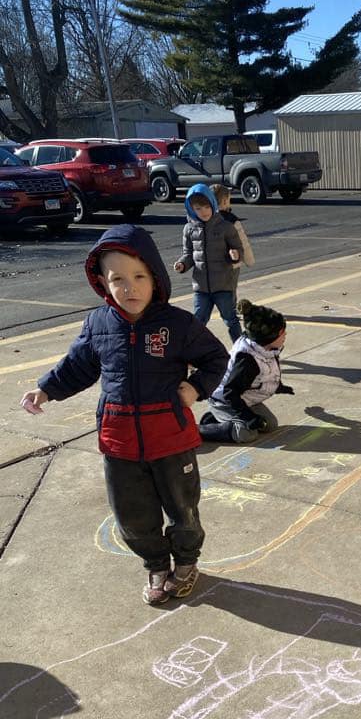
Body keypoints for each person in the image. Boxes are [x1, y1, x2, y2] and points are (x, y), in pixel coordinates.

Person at [19, 225, 229, 606]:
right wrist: (46, 389)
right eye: (118, 279)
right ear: (102, 281)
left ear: (156, 277)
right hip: (120, 442)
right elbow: (76, 367)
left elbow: (217, 358)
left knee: (183, 508)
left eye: (139, 277)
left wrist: (195, 388)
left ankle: (185, 563)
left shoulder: (177, 324)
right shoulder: (98, 325)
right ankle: (156, 564)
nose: (130, 288)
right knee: (131, 514)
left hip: (171, 439)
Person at [199, 300, 294, 442]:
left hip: (246, 398)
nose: (285, 334)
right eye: (282, 332)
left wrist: (278, 387)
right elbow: (230, 393)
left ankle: (217, 419)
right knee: (246, 433)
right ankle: (200, 430)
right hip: (224, 400)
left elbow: (267, 372)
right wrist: (248, 418)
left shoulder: (267, 348)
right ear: (270, 336)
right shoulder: (247, 360)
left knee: (270, 425)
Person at [174, 183, 244, 340]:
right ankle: (194, 350)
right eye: (198, 209)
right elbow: (188, 254)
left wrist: (235, 255)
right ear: (191, 209)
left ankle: (240, 349)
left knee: (230, 319)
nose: (203, 212)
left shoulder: (226, 227)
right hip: (201, 287)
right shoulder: (189, 229)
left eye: (206, 207)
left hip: (223, 285)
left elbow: (238, 248)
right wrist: (182, 264)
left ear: (213, 204)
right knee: (198, 321)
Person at [210, 183, 256, 268]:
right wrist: (250, 261)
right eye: (229, 200)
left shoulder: (206, 219)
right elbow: (243, 242)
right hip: (231, 264)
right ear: (225, 201)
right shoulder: (232, 220)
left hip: (211, 265)